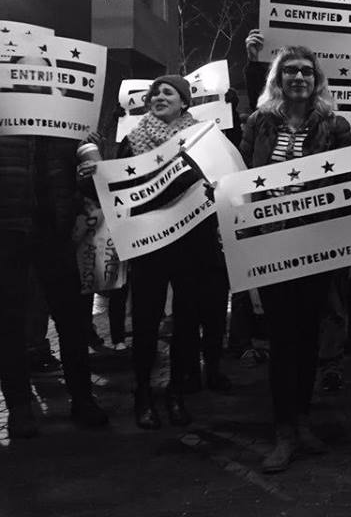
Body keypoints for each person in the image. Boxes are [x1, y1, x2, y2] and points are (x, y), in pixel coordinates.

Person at [238, 44, 351, 472]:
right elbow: (243, 173)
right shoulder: (258, 122)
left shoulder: (335, 125)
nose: (298, 77)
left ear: (317, 79)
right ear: (278, 79)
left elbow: (348, 176)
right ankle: (283, 431)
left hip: (318, 243)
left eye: (306, 71)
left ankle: (302, 422)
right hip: (271, 241)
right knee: (282, 338)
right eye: (290, 71)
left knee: (307, 337)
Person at [78, 75, 230, 430]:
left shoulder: (202, 139)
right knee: (145, 322)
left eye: (168, 92)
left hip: (192, 241)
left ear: (185, 102)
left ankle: (176, 392)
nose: (159, 96)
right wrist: (89, 175)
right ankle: (143, 394)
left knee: (186, 322)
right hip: (150, 244)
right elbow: (114, 187)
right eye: (155, 93)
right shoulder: (132, 141)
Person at [0, 119, 108, 437]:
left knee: (73, 321)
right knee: (9, 325)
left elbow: (89, 182)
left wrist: (90, 171)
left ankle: (83, 398)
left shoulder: (67, 123)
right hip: (7, 232)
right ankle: (19, 408)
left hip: (58, 233)